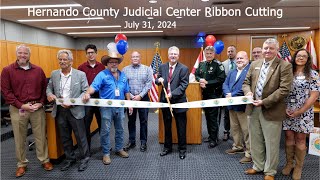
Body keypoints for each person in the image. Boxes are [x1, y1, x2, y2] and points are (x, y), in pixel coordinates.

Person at [242, 38, 293, 180]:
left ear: (276, 50)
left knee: (271, 142)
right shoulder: (255, 64)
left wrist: (264, 102)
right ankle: (258, 166)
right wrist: (248, 93)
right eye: (265, 48)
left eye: (271, 48)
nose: (267, 51)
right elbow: (246, 82)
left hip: (271, 109)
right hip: (253, 108)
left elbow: (284, 89)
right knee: (255, 139)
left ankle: (270, 171)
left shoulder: (284, 66)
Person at [1, 44, 53, 177]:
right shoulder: (7, 71)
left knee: (41, 136)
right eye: (20, 53)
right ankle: (21, 164)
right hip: (18, 109)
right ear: (16, 54)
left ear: (29, 55)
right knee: (20, 138)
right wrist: (21, 105)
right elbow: (6, 92)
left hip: (37, 108)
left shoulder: (38, 70)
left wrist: (41, 103)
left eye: (25, 53)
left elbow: (44, 89)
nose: (23, 55)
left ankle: (44, 160)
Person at [82, 46, 133, 165]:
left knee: (120, 129)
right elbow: (93, 87)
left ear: (118, 63)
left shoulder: (123, 75)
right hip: (106, 108)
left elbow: (126, 91)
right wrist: (87, 93)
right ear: (107, 64)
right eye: (111, 62)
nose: (114, 64)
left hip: (120, 108)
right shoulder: (102, 75)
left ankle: (119, 149)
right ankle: (106, 153)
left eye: (115, 62)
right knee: (105, 130)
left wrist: (129, 104)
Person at [47, 49, 90, 172]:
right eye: (60, 59)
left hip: (75, 110)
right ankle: (70, 158)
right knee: (65, 137)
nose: (62, 61)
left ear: (71, 61)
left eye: (65, 59)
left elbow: (85, 91)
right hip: (60, 111)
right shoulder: (54, 74)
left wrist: (72, 103)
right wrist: (50, 95)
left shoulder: (80, 74)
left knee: (80, 136)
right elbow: (49, 88)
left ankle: (84, 158)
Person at [282, 49, 320, 180]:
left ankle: (298, 167)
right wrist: (285, 108)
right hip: (287, 110)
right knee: (288, 137)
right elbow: (282, 90)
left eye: (304, 56)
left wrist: (300, 111)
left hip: (304, 112)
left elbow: (314, 95)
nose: (301, 58)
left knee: (300, 139)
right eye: (299, 55)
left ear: (308, 59)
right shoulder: (288, 72)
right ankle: (289, 164)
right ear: (294, 57)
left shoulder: (313, 74)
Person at [156, 46, 189, 160]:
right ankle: (167, 148)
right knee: (167, 126)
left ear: (178, 56)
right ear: (168, 55)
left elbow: (184, 85)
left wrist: (172, 94)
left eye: (175, 54)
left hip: (179, 102)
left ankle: (182, 149)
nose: (173, 56)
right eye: (171, 54)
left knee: (181, 127)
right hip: (165, 102)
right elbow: (157, 79)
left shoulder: (183, 68)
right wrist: (158, 80)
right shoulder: (162, 67)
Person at [223, 51, 252, 164]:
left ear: (247, 59)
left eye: (242, 58)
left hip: (243, 106)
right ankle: (238, 146)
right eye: (238, 58)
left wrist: (233, 95)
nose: (239, 60)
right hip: (231, 105)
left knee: (246, 130)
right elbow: (225, 84)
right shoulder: (232, 72)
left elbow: (248, 87)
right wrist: (227, 93)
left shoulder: (250, 70)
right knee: (235, 127)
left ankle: (249, 153)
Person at [195, 46, 226, 148]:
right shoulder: (202, 64)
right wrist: (200, 80)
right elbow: (196, 74)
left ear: (214, 54)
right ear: (205, 54)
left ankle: (214, 139)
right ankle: (210, 135)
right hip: (204, 95)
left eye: (210, 53)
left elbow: (221, 79)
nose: (209, 55)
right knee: (207, 116)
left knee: (213, 118)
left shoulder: (218, 65)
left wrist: (207, 83)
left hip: (214, 95)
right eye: (207, 53)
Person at [122, 51, 153, 152]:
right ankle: (132, 141)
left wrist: (140, 95)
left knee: (143, 120)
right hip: (129, 99)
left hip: (143, 98)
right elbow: (123, 85)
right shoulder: (125, 70)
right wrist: (131, 96)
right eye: (133, 57)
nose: (135, 58)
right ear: (131, 59)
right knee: (131, 121)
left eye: (137, 57)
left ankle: (143, 142)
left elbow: (149, 84)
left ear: (140, 58)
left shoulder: (147, 69)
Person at [78, 44, 105, 153]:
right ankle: (87, 149)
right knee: (86, 124)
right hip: (87, 99)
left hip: (100, 98)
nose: (90, 55)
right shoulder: (81, 68)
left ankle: (104, 146)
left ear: (96, 53)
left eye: (92, 52)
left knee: (102, 124)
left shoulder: (102, 67)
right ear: (86, 54)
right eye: (88, 53)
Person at [221, 45, 237, 141]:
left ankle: (237, 134)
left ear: (235, 52)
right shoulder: (223, 64)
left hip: (238, 93)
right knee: (226, 114)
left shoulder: (240, 63)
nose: (230, 53)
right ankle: (226, 131)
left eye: (232, 51)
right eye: (228, 51)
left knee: (237, 114)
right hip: (226, 93)